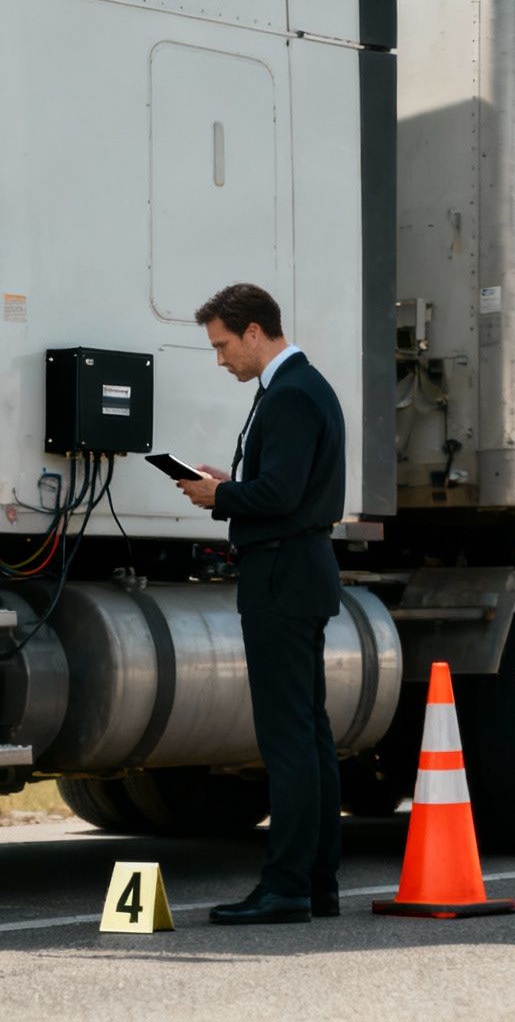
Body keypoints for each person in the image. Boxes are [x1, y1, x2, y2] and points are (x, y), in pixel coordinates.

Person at [176, 283, 346, 926]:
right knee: (309, 733)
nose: (220, 359)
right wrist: (231, 484)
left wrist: (218, 498)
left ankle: (286, 887)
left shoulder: (292, 394)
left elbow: (278, 494)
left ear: (254, 333)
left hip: (282, 574)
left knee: (288, 739)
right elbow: (283, 487)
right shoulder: (299, 389)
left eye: (222, 346)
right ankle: (316, 883)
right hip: (298, 570)